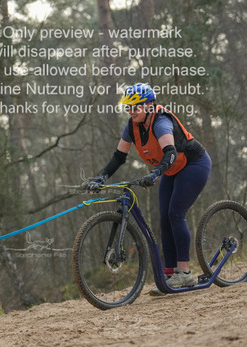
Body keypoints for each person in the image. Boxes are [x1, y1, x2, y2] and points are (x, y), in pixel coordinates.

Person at [87, 83, 212, 288]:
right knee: (164, 220)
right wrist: (100, 178)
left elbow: (170, 153)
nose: (131, 111)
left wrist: (154, 173)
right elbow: (119, 157)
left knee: (175, 214)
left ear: (149, 105)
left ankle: (185, 273)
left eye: (135, 107)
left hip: (193, 165)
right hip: (170, 170)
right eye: (128, 107)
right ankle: (170, 275)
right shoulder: (132, 126)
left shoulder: (161, 121)